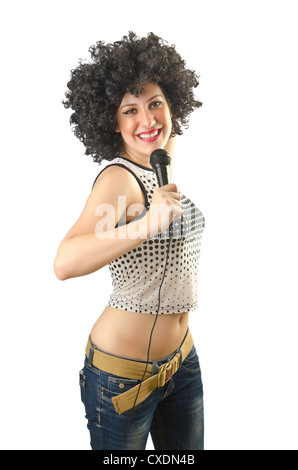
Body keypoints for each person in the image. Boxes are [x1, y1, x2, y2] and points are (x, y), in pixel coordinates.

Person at [54, 31, 205, 450]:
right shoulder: (118, 180)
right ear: (111, 121)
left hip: (181, 364)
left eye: (156, 103)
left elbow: (162, 131)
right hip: (122, 377)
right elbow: (64, 263)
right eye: (130, 110)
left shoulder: (161, 157)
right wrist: (145, 224)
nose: (148, 120)